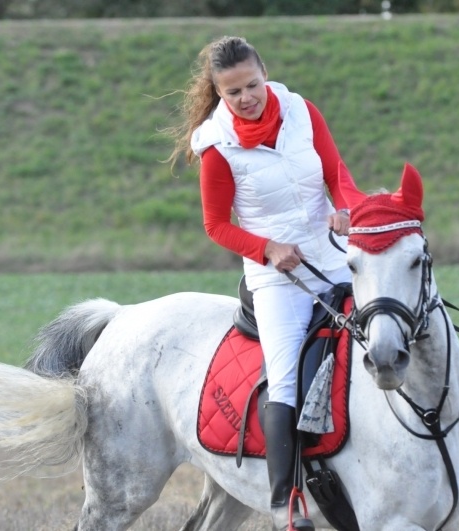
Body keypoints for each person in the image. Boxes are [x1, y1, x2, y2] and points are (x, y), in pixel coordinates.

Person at [168, 35, 365, 531]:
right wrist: (267, 249)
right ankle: (287, 498)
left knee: (398, 322)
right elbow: (216, 225)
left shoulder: (301, 111)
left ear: (264, 73)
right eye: (233, 92)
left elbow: (335, 171)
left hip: (335, 256)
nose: (247, 97)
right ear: (219, 93)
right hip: (279, 280)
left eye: (252, 84)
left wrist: (345, 206)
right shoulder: (217, 149)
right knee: (285, 377)